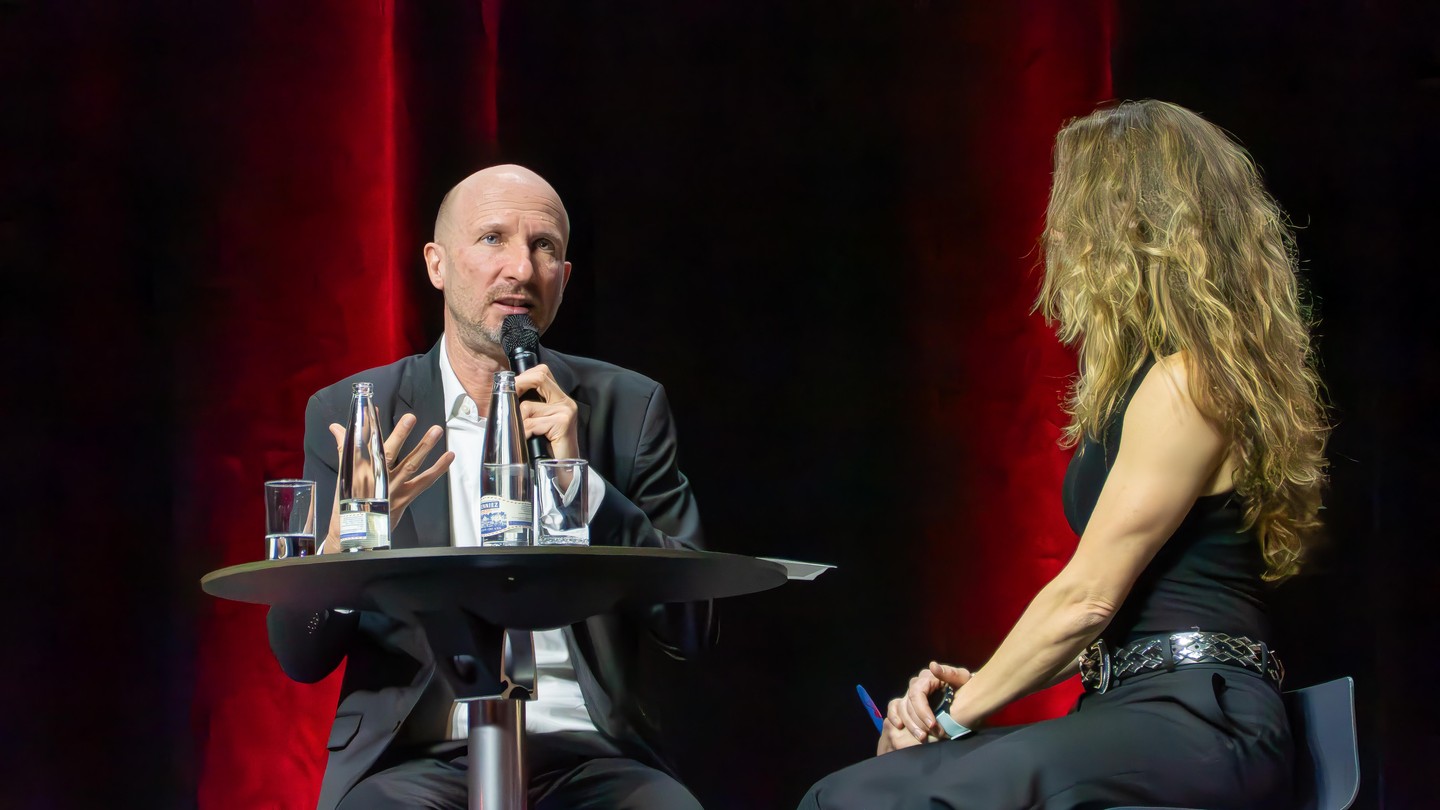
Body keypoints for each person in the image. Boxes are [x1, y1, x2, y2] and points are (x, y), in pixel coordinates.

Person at [800, 100, 1329, 809]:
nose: (1060, 235)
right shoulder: (1163, 379)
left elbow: (1087, 599)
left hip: (1202, 721)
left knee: (864, 799)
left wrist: (955, 716)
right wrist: (979, 685)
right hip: (1142, 706)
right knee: (859, 790)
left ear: (1132, 225)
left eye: (1076, 210)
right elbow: (1115, 618)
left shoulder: (1191, 381)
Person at [267, 165, 713, 810]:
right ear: (436, 264)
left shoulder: (629, 407)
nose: (521, 270)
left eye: (545, 247)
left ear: (565, 277)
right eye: (493, 239)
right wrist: (342, 551)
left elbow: (692, 625)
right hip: (415, 759)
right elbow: (298, 655)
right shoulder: (358, 412)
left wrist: (581, 488)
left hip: (591, 756)